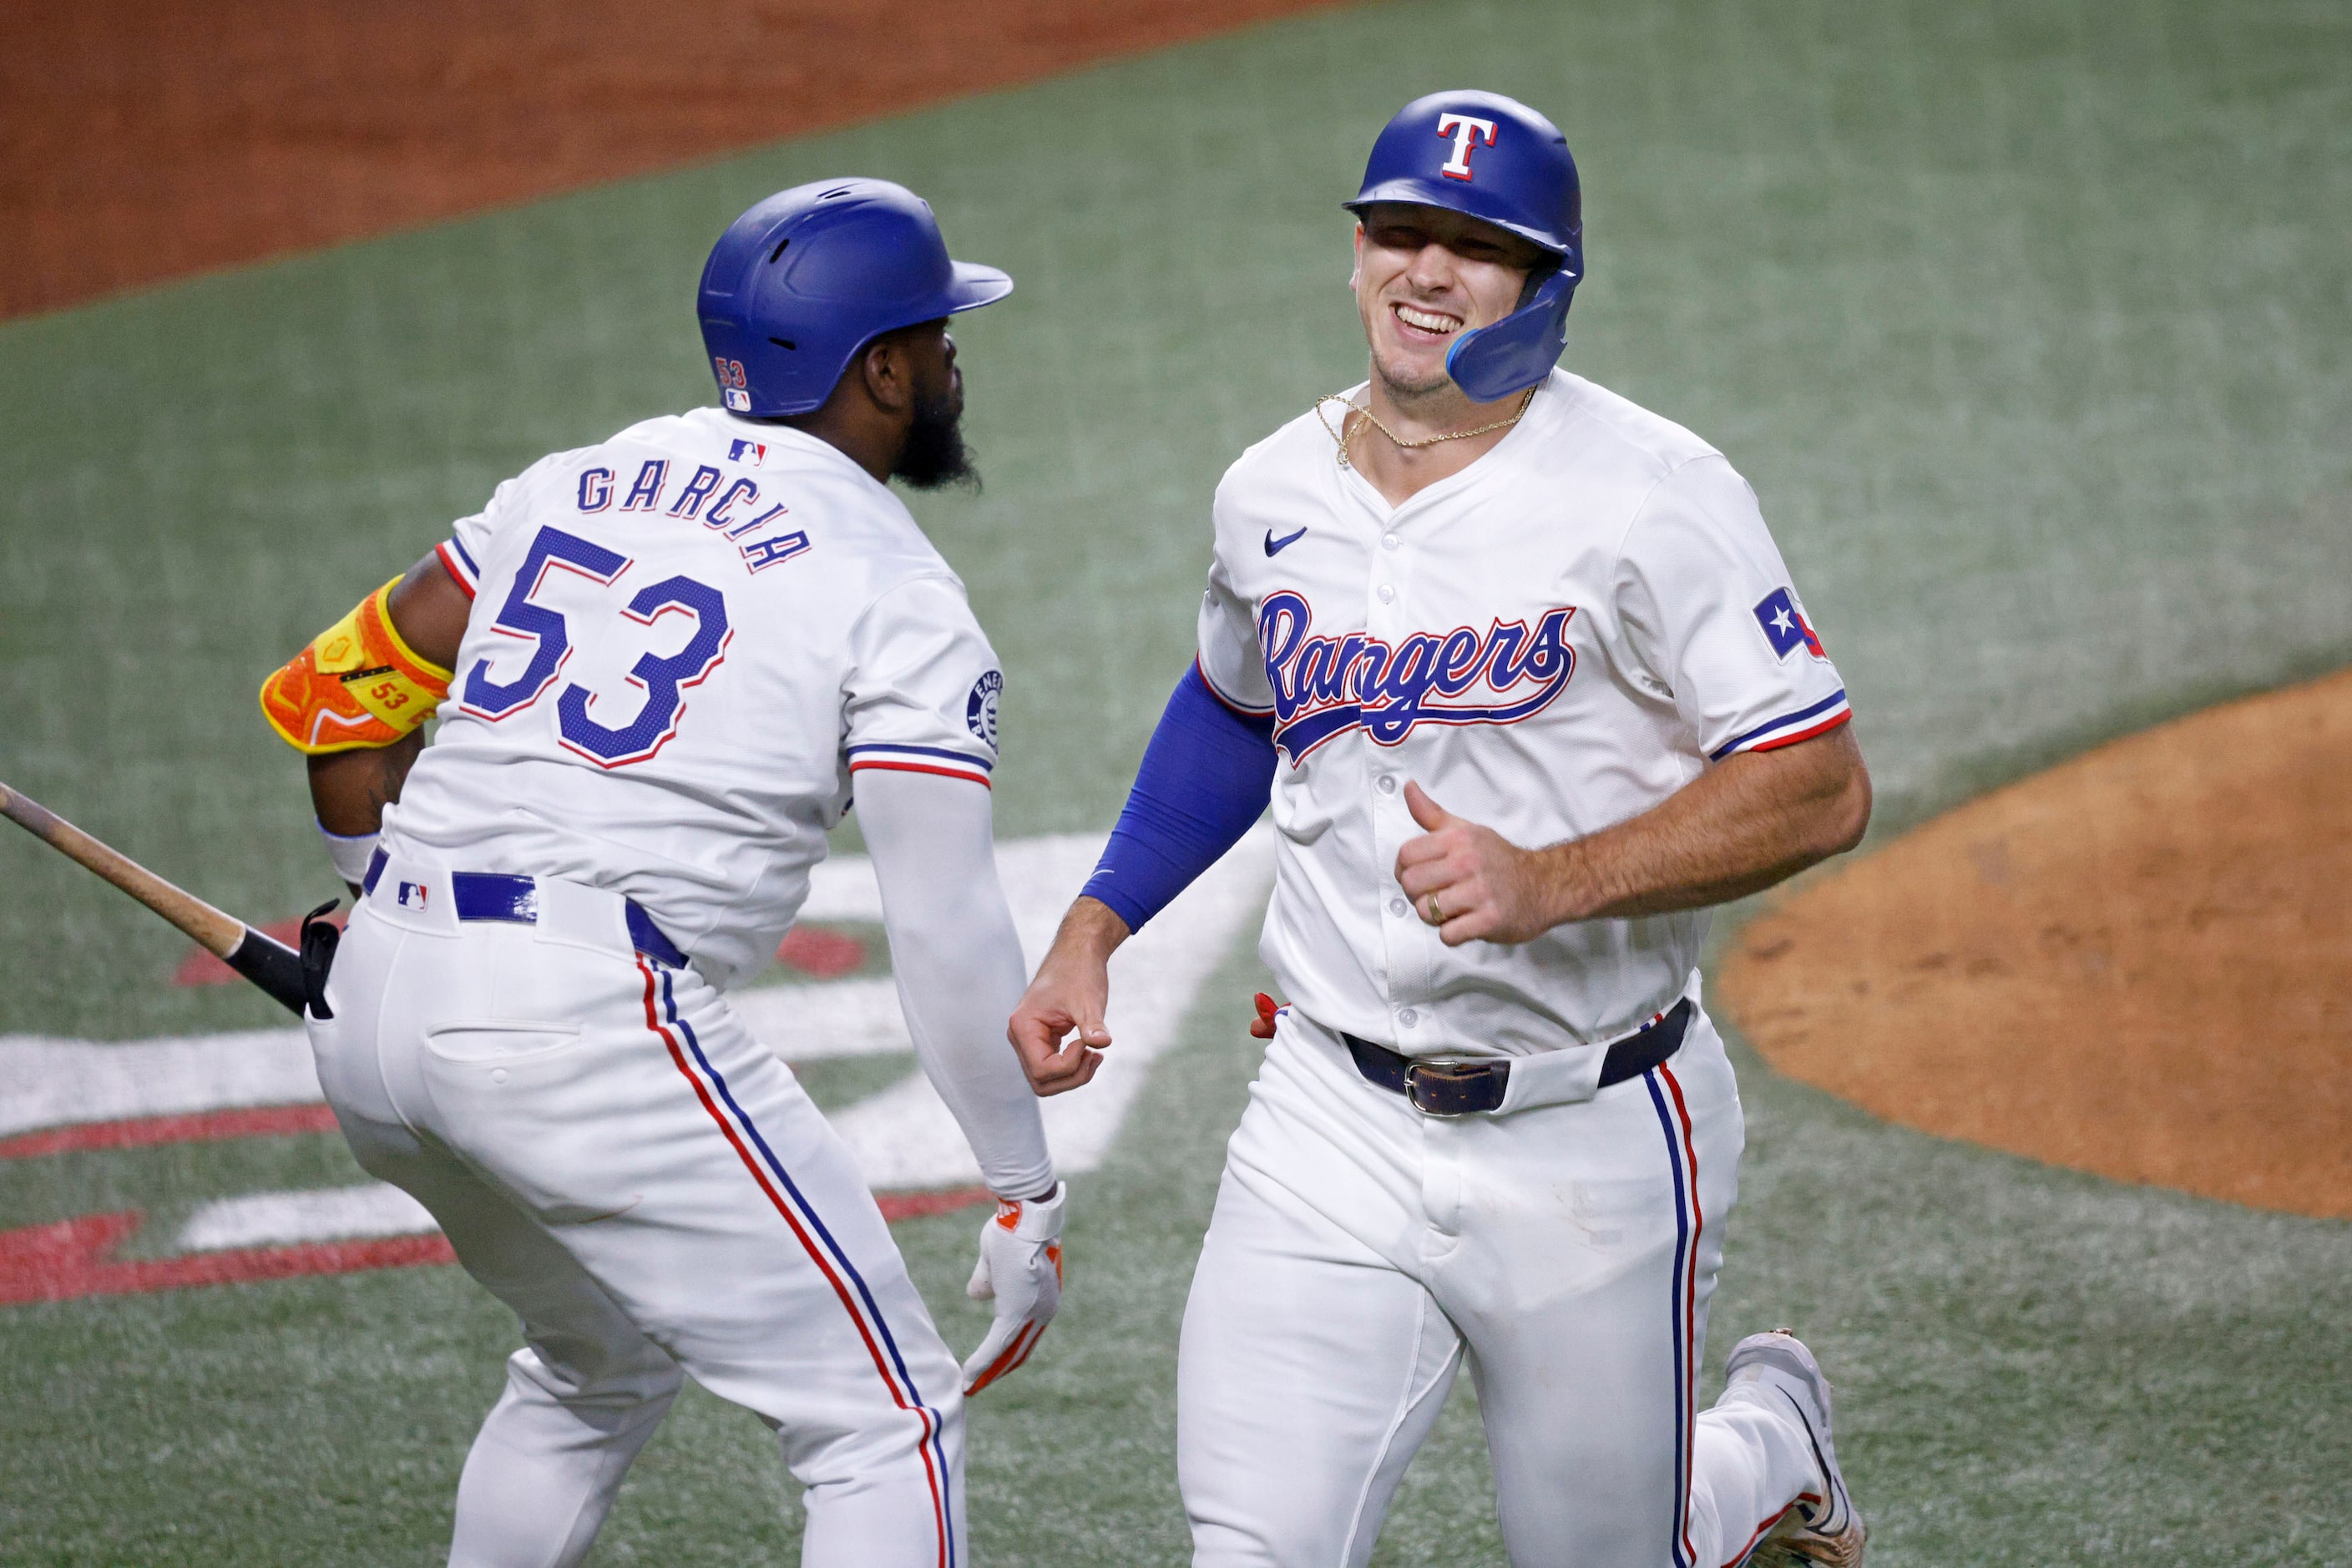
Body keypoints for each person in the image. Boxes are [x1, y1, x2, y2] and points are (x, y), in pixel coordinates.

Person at [1009, 92, 1873, 1567]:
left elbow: (1818, 782)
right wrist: (1096, 926)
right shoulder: (1269, 491)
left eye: (1476, 247)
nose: (1426, 272)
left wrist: (1556, 880)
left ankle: (1767, 1449)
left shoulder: (1653, 496)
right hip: (1325, 1119)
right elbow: (1234, 705)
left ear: (1545, 287)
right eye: (1399, 232)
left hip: (1594, 1127)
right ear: (1354, 253)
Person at [260, 178, 1062, 1568]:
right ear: (882, 369)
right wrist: (1022, 1182)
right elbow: (940, 925)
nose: (951, 360)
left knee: (595, 1364)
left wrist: (364, 881)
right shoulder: (899, 588)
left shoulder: (573, 476)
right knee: (886, 1421)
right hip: (575, 1022)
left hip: (375, 1015)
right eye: (936, 334)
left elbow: (331, 694)